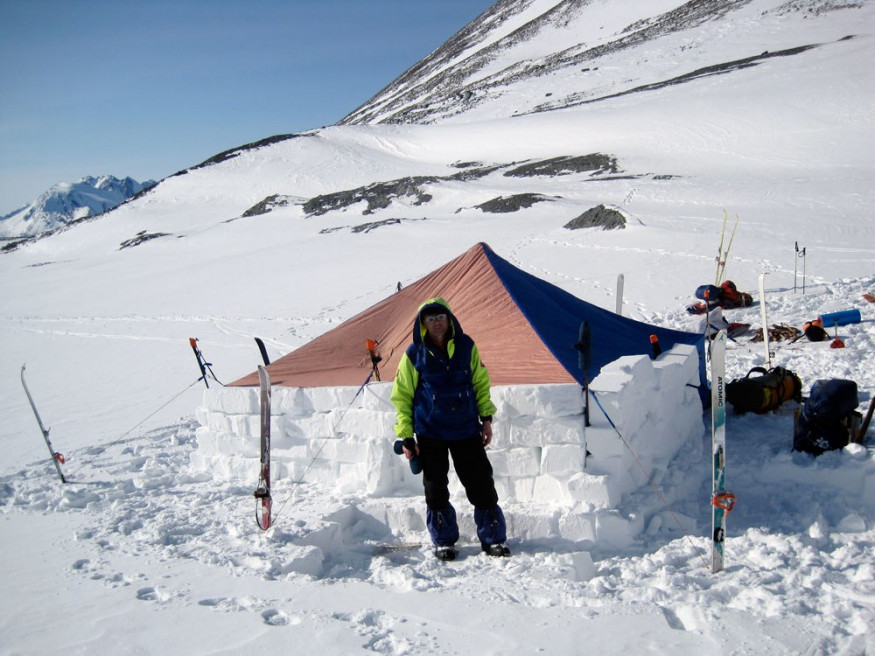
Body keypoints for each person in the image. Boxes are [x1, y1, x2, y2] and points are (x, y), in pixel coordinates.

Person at [391, 297, 510, 561]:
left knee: (481, 483)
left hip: (465, 429)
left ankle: (493, 538)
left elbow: (480, 382)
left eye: (441, 317)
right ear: (423, 323)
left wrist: (486, 419)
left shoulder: (467, 346)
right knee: (435, 489)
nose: (437, 323)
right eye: (431, 319)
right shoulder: (414, 353)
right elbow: (402, 396)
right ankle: (444, 541)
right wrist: (407, 436)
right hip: (430, 431)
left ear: (450, 319)